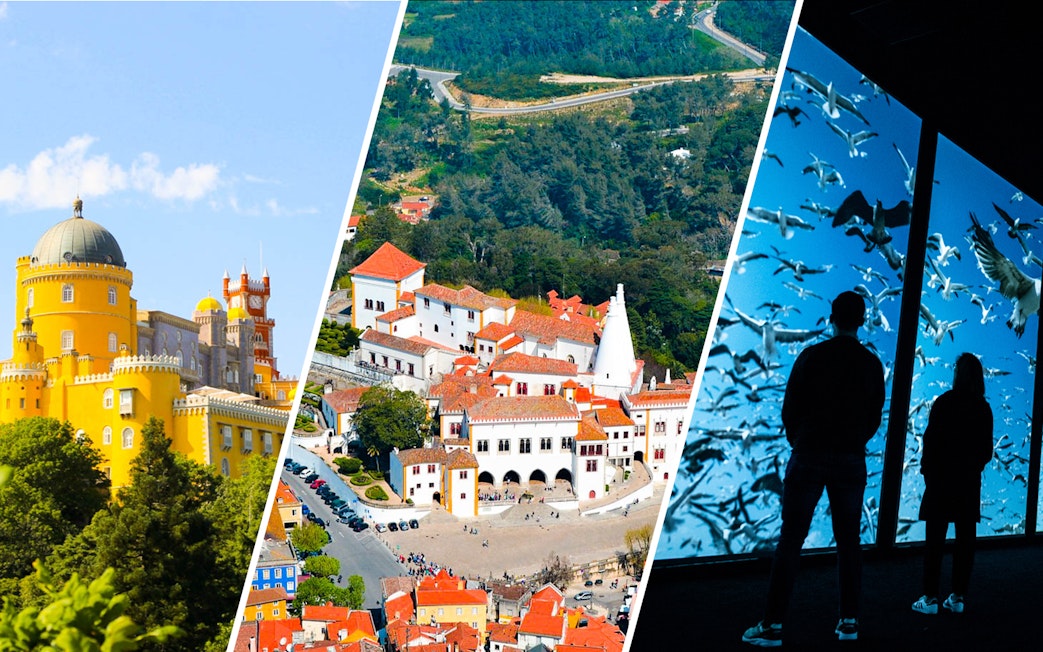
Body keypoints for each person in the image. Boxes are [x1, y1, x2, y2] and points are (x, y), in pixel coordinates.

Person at [743, 290, 885, 647]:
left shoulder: (811, 356)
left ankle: (773, 625)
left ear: (831, 319)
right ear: (862, 321)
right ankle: (849, 622)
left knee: (791, 539)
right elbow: (874, 416)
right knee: (849, 542)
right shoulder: (871, 364)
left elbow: (790, 407)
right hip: (851, 459)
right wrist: (853, 442)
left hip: (809, 454)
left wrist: (801, 440)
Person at [911, 352, 993, 615]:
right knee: (965, 540)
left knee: (935, 540)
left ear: (958, 374)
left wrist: (929, 473)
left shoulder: (944, 402)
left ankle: (930, 598)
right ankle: (957, 597)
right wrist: (972, 467)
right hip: (968, 483)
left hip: (941, 481)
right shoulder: (983, 408)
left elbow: (930, 441)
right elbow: (986, 451)